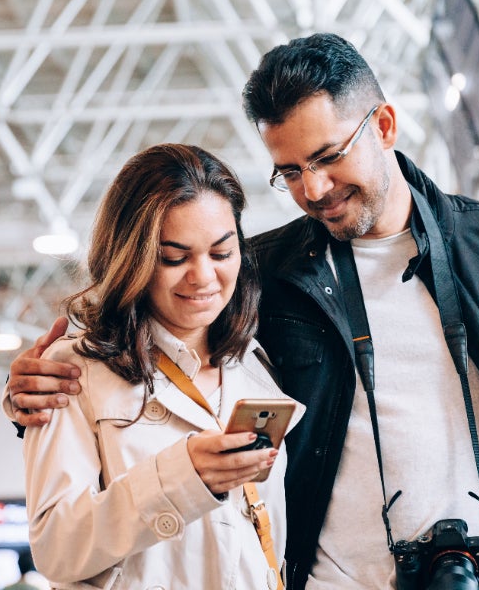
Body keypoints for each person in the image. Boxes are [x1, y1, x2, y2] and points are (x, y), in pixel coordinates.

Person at [7, 34, 479, 590]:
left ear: (383, 123)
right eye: (289, 171)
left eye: (328, 156)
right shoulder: (263, 272)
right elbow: (155, 339)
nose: (313, 188)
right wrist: (33, 394)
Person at [20, 143, 300, 589]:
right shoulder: (74, 371)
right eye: (174, 257)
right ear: (131, 256)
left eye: (221, 253)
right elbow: (56, 548)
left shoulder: (255, 366)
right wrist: (182, 478)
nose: (203, 276)